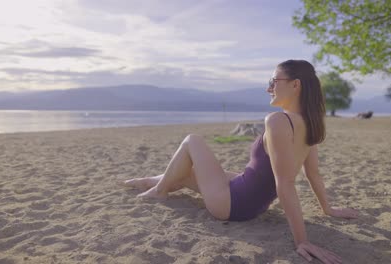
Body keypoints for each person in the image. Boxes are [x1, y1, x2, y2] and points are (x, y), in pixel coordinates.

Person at [124, 59, 358, 264]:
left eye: (274, 81)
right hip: (250, 198)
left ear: (295, 85)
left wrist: (302, 241)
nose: (269, 87)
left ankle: (159, 191)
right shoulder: (309, 123)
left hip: (233, 203)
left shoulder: (277, 121)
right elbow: (313, 174)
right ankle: (150, 181)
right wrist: (328, 209)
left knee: (192, 140)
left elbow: (285, 183)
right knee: (186, 174)